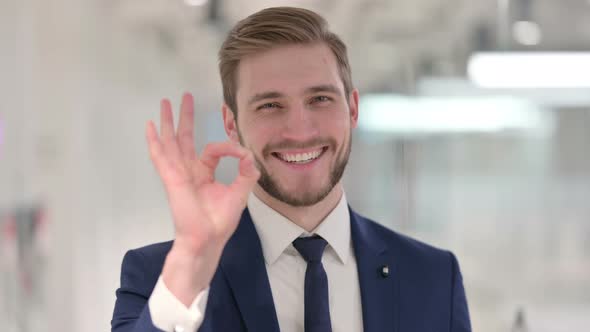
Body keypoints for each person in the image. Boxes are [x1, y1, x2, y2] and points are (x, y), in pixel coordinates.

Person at [111, 6, 471, 332]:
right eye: (270, 105)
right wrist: (190, 261)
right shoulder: (161, 277)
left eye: (320, 99)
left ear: (353, 109)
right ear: (232, 124)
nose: (300, 130)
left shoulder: (433, 278)